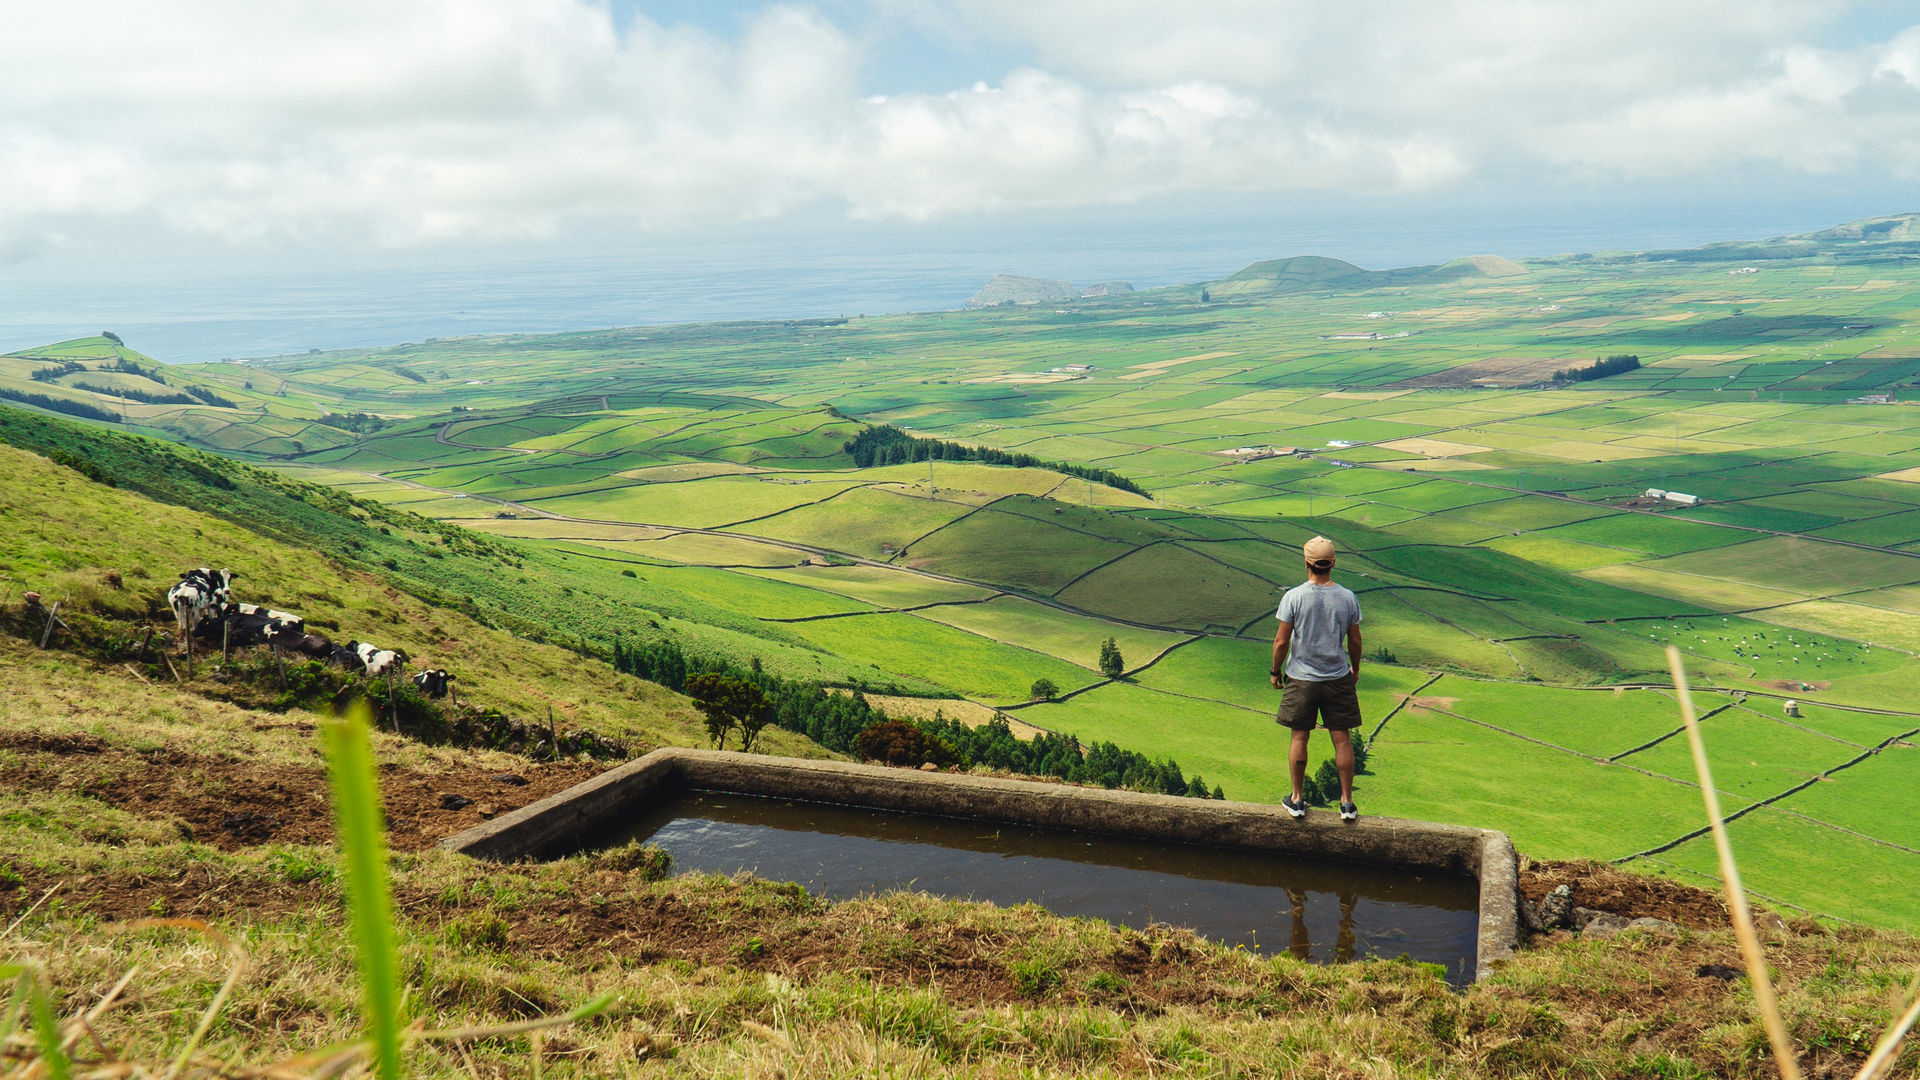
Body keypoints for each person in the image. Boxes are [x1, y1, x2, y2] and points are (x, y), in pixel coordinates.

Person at [1270, 535, 1363, 821]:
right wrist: (1355, 669)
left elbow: (1281, 642)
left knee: (1300, 735)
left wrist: (1275, 672)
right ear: (1332, 564)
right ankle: (1347, 804)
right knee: (1342, 739)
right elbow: (1356, 641)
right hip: (1337, 676)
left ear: (1307, 563)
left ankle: (1297, 800)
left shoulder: (1294, 597)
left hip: (1301, 678)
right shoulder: (1347, 597)